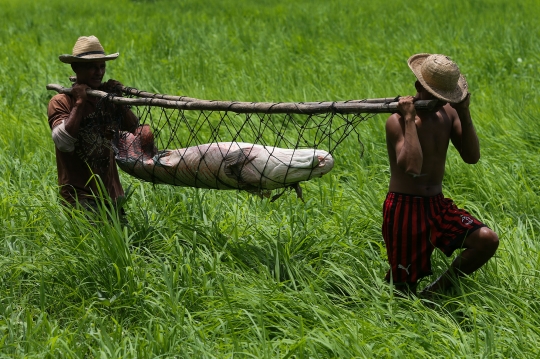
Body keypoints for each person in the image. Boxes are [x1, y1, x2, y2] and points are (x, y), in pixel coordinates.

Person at [382, 53, 499, 297]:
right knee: (402, 290)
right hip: (405, 208)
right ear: (418, 88)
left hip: (436, 204)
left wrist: (464, 112)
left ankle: (436, 293)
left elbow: (472, 156)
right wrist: (409, 119)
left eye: (444, 97)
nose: (440, 102)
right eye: (435, 96)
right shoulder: (396, 121)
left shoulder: (449, 114)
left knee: (486, 240)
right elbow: (413, 167)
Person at [48, 35, 139, 216]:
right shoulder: (61, 102)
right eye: (92, 67)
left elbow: (134, 128)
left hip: (110, 194)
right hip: (80, 196)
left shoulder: (105, 98)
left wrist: (118, 101)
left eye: (102, 66)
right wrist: (80, 103)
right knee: (94, 241)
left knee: (124, 242)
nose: (99, 72)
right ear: (75, 68)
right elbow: (63, 142)